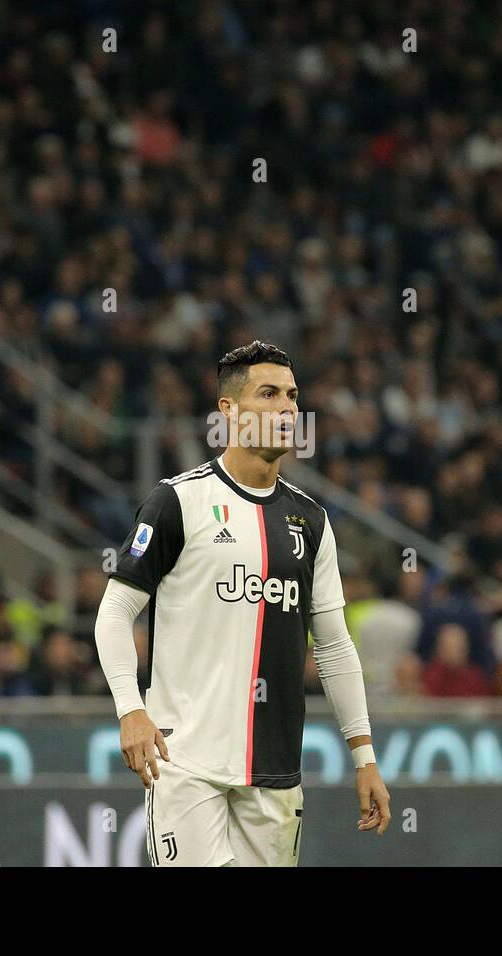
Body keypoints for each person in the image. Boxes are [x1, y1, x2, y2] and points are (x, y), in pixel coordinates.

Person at [95, 341, 390, 866]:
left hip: (274, 772)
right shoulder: (177, 502)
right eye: (269, 394)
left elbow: (335, 646)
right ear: (228, 411)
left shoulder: (312, 522)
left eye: (293, 396)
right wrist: (130, 709)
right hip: (185, 762)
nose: (286, 409)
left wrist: (364, 758)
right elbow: (114, 613)